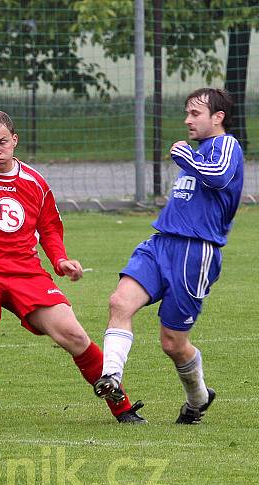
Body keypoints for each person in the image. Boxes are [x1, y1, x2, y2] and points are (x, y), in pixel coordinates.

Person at [0, 111, 144, 423]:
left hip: (26, 273)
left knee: (73, 335)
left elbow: (49, 228)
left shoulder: (35, 183)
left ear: (15, 141)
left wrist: (61, 260)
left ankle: (123, 409)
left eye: (2, 143)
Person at [95, 88, 243, 424]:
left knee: (173, 343)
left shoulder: (226, 146)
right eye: (187, 113)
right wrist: (191, 155)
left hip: (196, 252)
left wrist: (186, 155)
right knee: (120, 302)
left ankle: (198, 397)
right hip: (161, 243)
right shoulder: (202, 150)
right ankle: (112, 378)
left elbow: (218, 177)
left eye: (195, 113)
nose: (188, 120)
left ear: (217, 118)